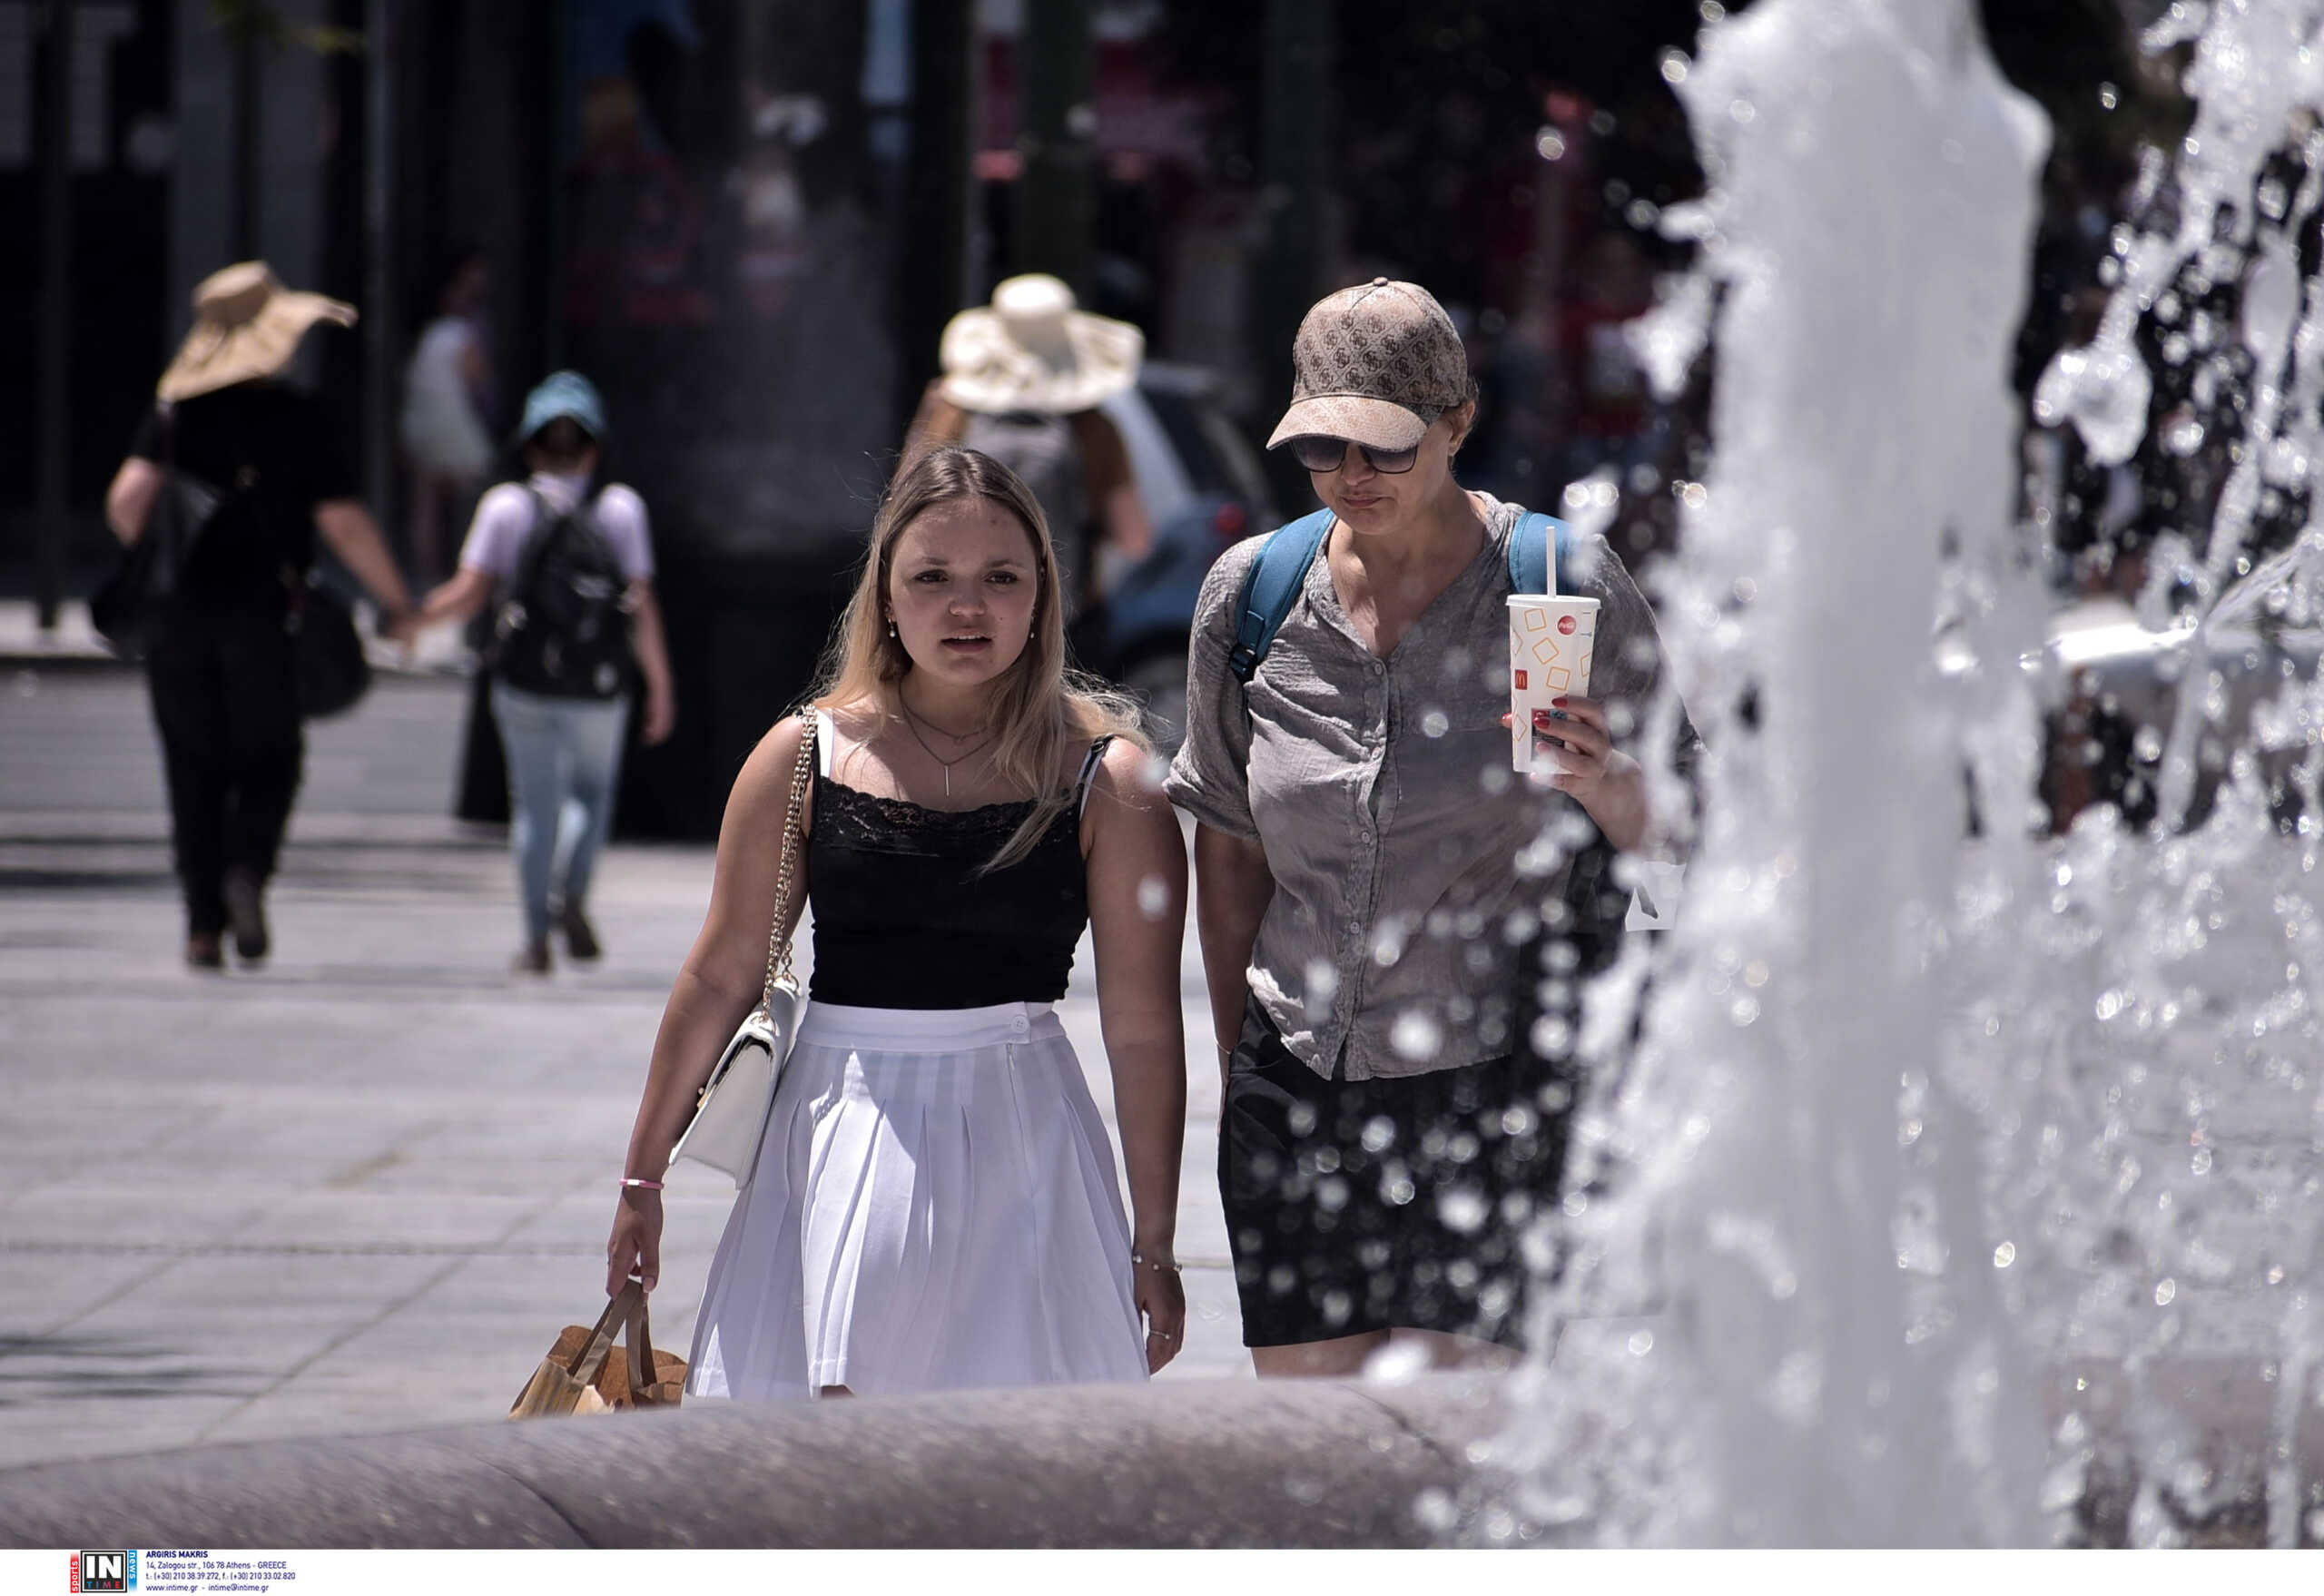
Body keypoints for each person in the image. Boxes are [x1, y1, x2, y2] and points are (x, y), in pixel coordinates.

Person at [1166, 278, 1696, 1374]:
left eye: (1385, 449)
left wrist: (1605, 780)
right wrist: (1240, 1070)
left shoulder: (1558, 582)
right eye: (1321, 449)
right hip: (1296, 1081)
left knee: (1460, 1465)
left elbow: (1699, 830)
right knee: (1317, 1470)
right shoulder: (1250, 596)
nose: (1349, 478)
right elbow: (1229, 854)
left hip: (1496, 1084)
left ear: (1457, 426)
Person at [604, 446, 1189, 1400]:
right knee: (829, 1450)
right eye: (932, 578)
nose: (967, 608)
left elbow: (1142, 1027)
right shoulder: (804, 755)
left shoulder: (1108, 779)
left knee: (1021, 1465)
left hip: (1025, 1127)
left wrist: (1155, 1243)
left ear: (1044, 593)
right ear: (884, 594)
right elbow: (719, 976)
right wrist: (642, 1185)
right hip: (839, 1113)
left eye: (1001, 577)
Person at [102, 261, 419, 971]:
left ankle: (201, 929)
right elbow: (343, 525)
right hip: (265, 616)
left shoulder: (173, 416)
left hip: (178, 618)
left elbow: (127, 502)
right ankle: (247, 867)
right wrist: (397, 604)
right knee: (272, 758)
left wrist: (167, 551)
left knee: (192, 770)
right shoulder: (296, 417)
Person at [414, 371, 677, 973]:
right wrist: (660, 684)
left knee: (534, 807)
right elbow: (641, 605)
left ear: (531, 447)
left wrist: (409, 619)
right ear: (595, 447)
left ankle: (535, 938)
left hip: (524, 679)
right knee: (591, 794)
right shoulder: (620, 508)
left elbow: (468, 593)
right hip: (600, 681)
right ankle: (573, 894)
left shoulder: (505, 507)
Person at [902, 274, 1154, 634]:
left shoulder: (951, 414)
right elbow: (1135, 541)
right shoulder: (1094, 428)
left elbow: (903, 508)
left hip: (960, 617)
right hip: (1064, 623)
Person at [398, 248, 497, 583]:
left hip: (419, 423)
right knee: (473, 502)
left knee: (425, 504)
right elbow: (480, 382)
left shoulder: (427, 334)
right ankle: (468, 576)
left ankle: (429, 575)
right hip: (453, 424)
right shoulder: (461, 333)